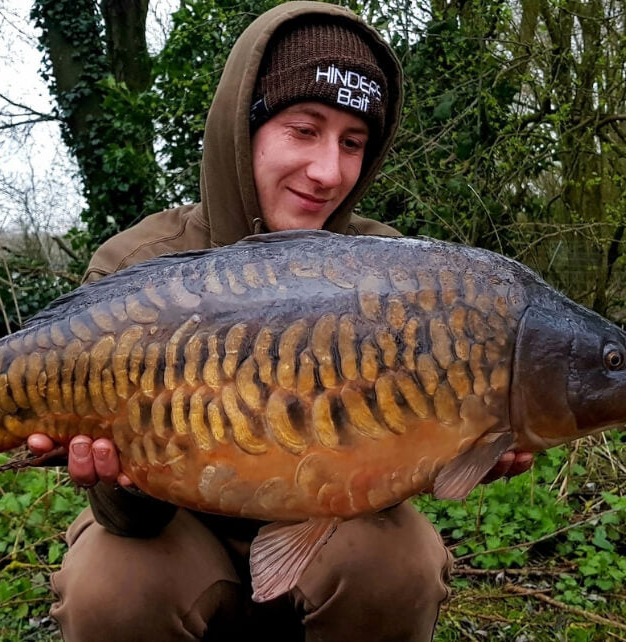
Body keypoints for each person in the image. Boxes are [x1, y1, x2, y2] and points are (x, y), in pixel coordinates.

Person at [27, 3, 533, 640]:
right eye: (304, 130)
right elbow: (126, 521)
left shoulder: (396, 279)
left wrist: (456, 449)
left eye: (352, 143)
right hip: (178, 533)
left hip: (332, 531)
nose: (328, 172)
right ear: (243, 130)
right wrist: (123, 481)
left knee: (398, 563)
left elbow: (391, 461)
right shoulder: (140, 265)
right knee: (112, 585)